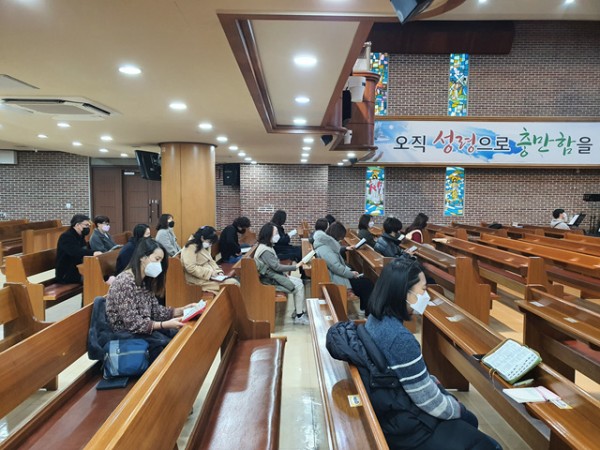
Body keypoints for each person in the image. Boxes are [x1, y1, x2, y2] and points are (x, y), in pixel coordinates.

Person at [326, 258, 502, 450]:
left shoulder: (376, 319)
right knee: (487, 441)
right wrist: (458, 408)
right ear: (404, 293)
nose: (426, 296)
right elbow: (429, 402)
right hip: (409, 429)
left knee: (468, 422)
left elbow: (415, 381)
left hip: (394, 412)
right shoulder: (400, 338)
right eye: (423, 290)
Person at [105, 237, 196, 362]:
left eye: (161, 261)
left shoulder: (144, 281)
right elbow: (132, 323)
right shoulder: (125, 282)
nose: (159, 264)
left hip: (142, 330)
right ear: (142, 257)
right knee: (171, 349)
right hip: (126, 337)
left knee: (182, 336)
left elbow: (155, 311)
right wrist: (164, 324)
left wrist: (182, 310)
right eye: (157, 259)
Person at [313, 221, 374, 312]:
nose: (341, 240)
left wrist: (350, 272)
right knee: (367, 284)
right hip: (335, 280)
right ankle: (368, 312)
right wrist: (351, 274)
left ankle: (365, 309)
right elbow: (336, 267)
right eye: (341, 237)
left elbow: (336, 265)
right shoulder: (325, 249)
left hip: (336, 276)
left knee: (365, 281)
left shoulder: (325, 244)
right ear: (338, 236)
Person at [254, 222, 307, 324]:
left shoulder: (266, 246)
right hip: (269, 280)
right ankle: (299, 316)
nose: (278, 235)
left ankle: (298, 311)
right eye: (276, 233)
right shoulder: (265, 250)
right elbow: (276, 267)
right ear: (269, 235)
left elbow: (273, 266)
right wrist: (295, 266)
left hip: (272, 275)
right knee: (299, 286)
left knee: (299, 281)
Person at [181, 226, 240, 294]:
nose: (210, 244)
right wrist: (210, 273)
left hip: (210, 277)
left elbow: (211, 261)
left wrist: (218, 272)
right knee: (232, 284)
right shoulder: (190, 247)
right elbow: (191, 268)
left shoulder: (203, 245)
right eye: (209, 242)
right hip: (198, 280)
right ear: (202, 238)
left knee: (233, 283)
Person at [56, 213, 102, 284]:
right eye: (86, 225)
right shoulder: (66, 237)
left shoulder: (80, 236)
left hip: (78, 269)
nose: (88, 228)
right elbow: (75, 252)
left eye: (89, 225)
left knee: (101, 275)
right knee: (94, 279)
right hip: (66, 273)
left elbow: (84, 250)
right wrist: (93, 253)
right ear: (77, 225)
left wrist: (95, 252)